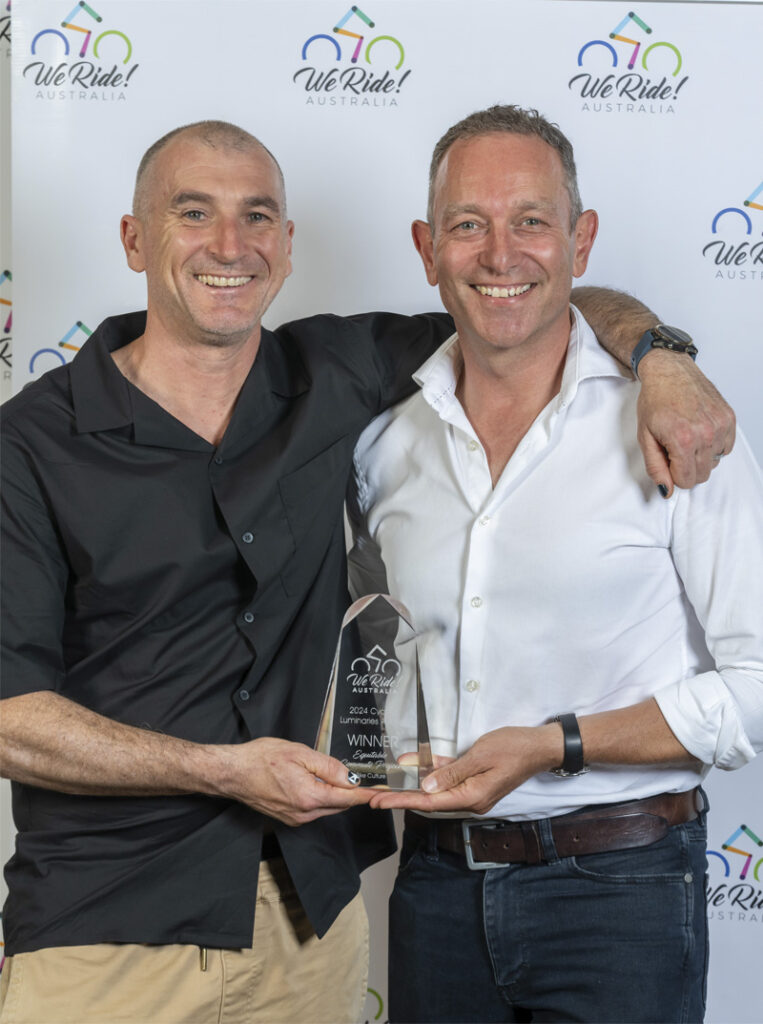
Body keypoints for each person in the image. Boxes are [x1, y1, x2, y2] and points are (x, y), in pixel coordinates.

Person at [0, 119, 736, 1024]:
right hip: (109, 927)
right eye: (194, 213)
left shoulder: (343, 373)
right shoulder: (29, 445)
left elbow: (530, 306)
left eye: (258, 216)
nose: (230, 246)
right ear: (134, 238)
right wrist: (224, 770)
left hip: (316, 920)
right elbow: (8, 718)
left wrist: (663, 358)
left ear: (288, 244)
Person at [349, 105, 763, 1023]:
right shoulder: (383, 443)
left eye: (531, 221)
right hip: (434, 888)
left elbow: (757, 682)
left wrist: (555, 743)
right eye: (468, 224)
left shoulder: (678, 426)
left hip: (621, 894)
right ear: (426, 248)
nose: (501, 254)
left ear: (580, 238)